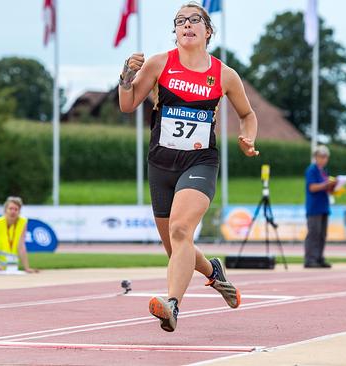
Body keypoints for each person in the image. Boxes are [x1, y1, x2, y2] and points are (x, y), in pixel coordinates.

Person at [118, 2, 259, 332]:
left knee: (182, 231)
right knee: (175, 247)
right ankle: (213, 272)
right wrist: (126, 76)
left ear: (207, 30)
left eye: (194, 19)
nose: (187, 24)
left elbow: (248, 114)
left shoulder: (224, 74)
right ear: (176, 31)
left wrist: (247, 137)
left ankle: (172, 305)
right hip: (161, 164)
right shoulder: (159, 63)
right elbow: (127, 105)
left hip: (200, 162)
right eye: (180, 21)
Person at [304, 145, 337, 268]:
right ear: (315, 157)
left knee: (322, 234)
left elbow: (326, 189)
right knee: (314, 233)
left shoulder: (324, 171)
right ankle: (310, 259)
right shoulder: (311, 170)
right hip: (314, 207)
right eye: (321, 157)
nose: (323, 159)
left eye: (325, 157)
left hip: (324, 206)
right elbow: (312, 187)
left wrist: (333, 186)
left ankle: (319, 258)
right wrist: (326, 184)